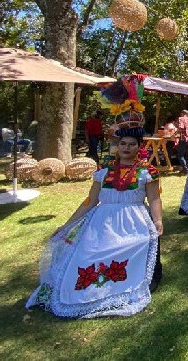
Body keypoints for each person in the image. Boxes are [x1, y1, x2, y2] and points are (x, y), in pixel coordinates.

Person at [27, 75, 163, 317]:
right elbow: (90, 201)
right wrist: (69, 224)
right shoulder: (103, 173)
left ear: (139, 146)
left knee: (138, 244)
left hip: (134, 223)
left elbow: (154, 199)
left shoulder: (146, 173)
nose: (127, 148)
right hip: (103, 224)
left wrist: (158, 221)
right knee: (87, 252)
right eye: (123, 144)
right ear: (117, 146)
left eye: (132, 144)